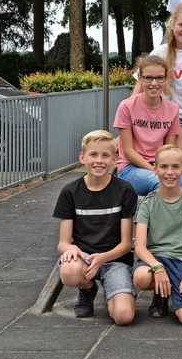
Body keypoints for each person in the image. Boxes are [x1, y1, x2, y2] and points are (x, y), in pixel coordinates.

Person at [53, 130, 137, 324]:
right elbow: (63, 243)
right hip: (85, 258)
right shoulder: (70, 192)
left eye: (105, 155)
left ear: (114, 159)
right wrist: (71, 248)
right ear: (83, 157)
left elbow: (126, 244)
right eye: (93, 155)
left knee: (123, 317)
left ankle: (113, 291)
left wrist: (103, 258)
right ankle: (88, 288)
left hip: (115, 259)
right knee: (69, 271)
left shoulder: (124, 190)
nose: (99, 161)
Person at [132, 4, 182, 198]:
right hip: (171, 118)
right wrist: (127, 121)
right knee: (179, 164)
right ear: (172, 25)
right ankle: (179, 209)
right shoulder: (161, 52)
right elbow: (139, 89)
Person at [132, 145, 182, 324]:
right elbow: (140, 247)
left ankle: (177, 285)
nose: (170, 172)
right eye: (164, 166)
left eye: (175, 167)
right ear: (155, 168)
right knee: (141, 277)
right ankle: (161, 292)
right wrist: (158, 268)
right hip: (155, 259)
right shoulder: (147, 203)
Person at [114, 55, 182, 195]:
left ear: (166, 79)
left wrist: (165, 169)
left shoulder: (172, 109)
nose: (154, 83)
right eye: (148, 78)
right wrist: (155, 170)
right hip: (130, 168)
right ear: (140, 78)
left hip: (161, 166)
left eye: (159, 78)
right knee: (162, 184)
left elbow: (168, 149)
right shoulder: (127, 106)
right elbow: (128, 151)